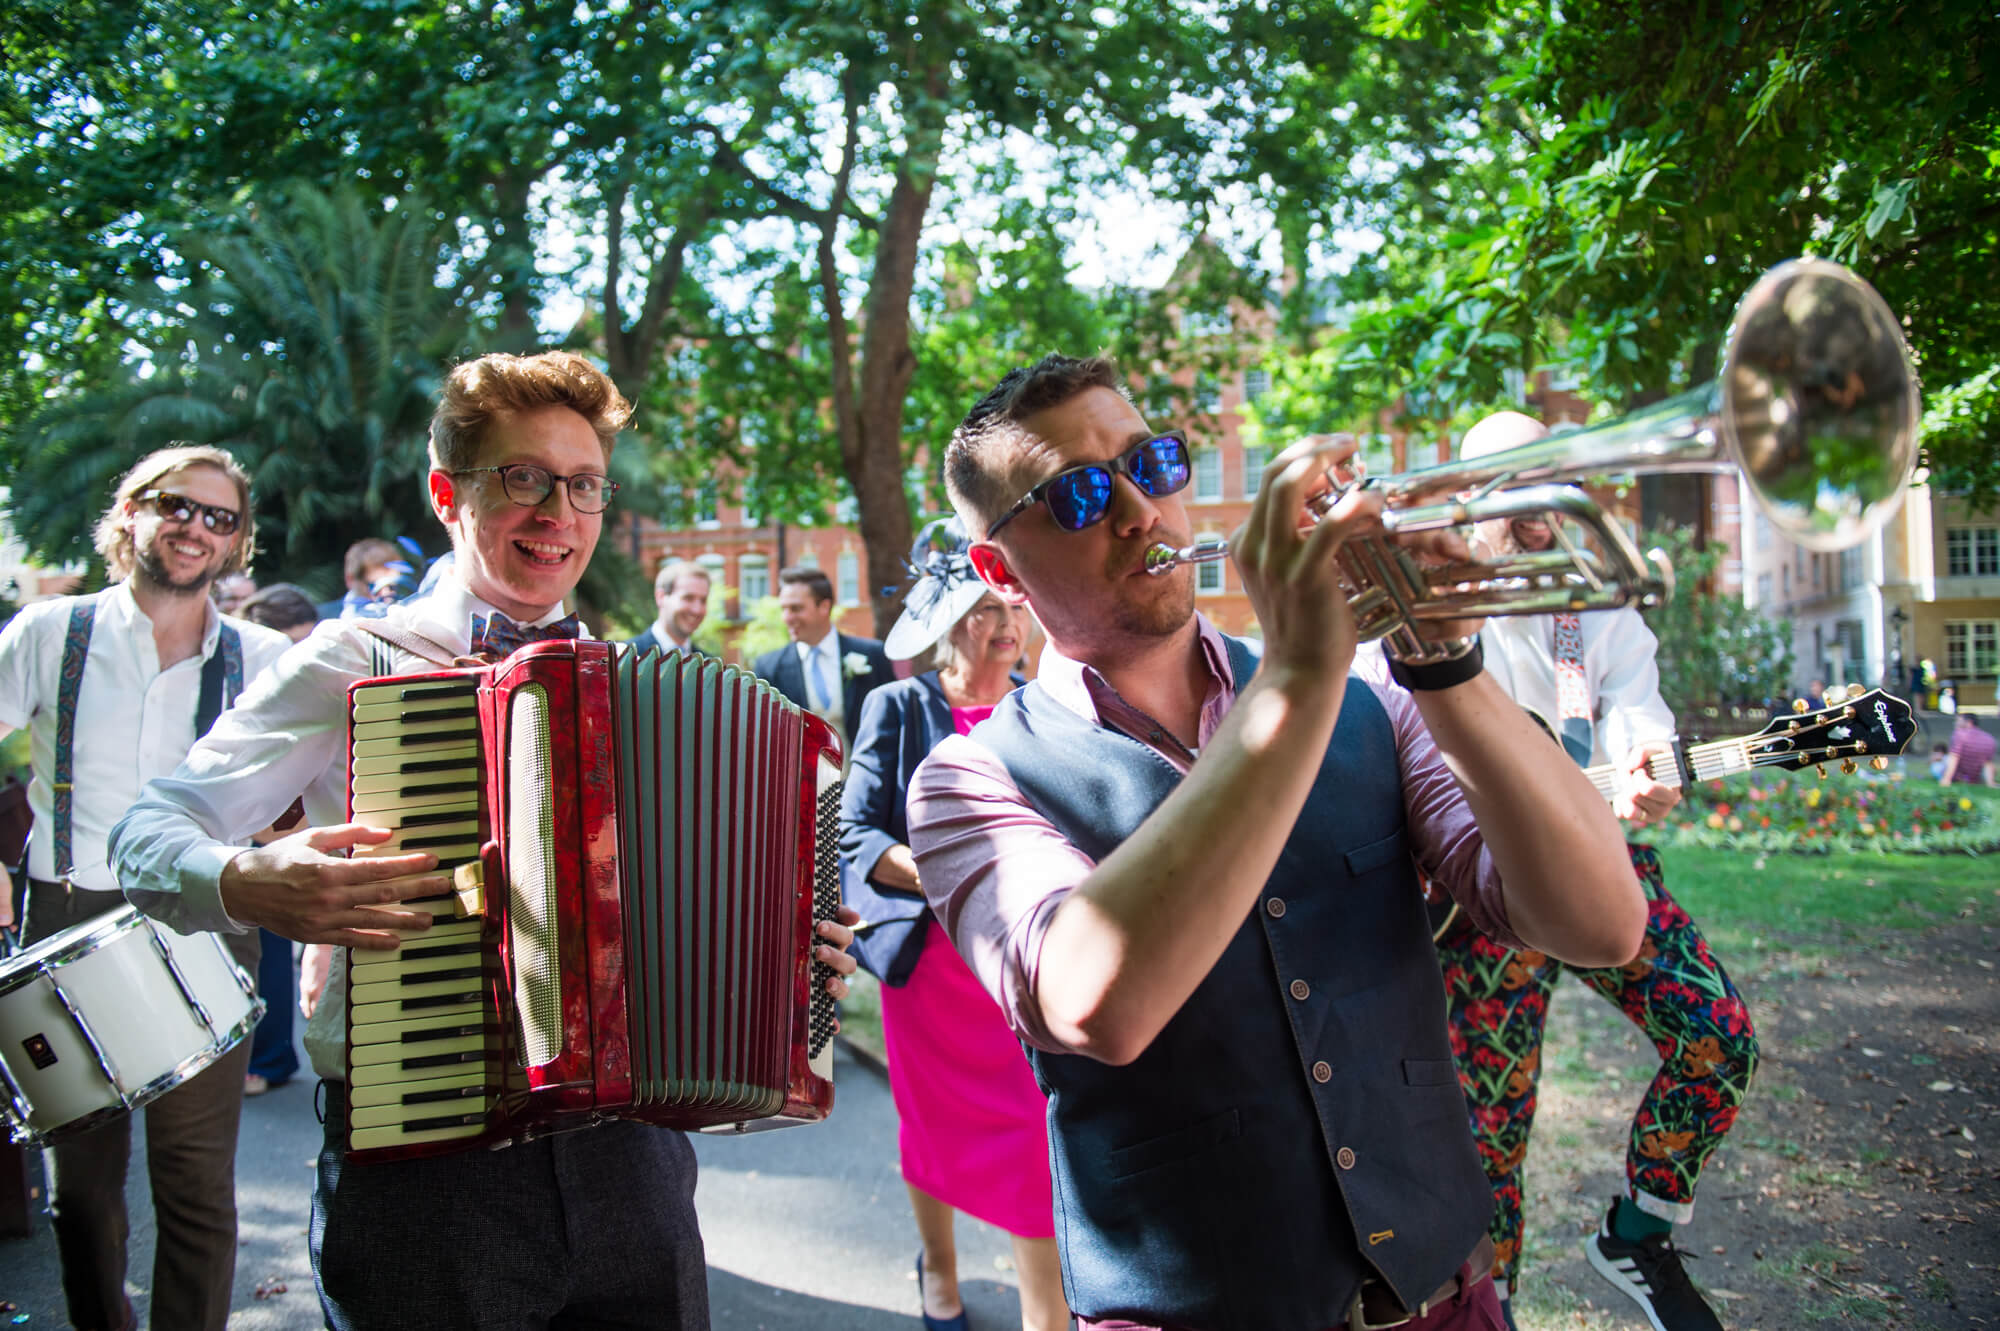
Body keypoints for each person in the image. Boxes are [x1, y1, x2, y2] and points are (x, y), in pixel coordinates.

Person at [109, 351, 861, 1331]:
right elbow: (146, 831)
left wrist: (797, 950)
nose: (558, 510)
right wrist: (247, 879)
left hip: (633, 1164)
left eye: (583, 484)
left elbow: (714, 897)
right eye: (522, 477)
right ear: (445, 493)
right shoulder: (354, 660)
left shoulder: (640, 693)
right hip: (425, 1173)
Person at [906, 354, 1646, 1331]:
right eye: (1080, 494)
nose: (1139, 510)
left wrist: (1444, 656)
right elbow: (1093, 1004)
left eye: (1150, 462)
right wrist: (1295, 675)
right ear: (997, 568)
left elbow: (1600, 921)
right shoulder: (967, 779)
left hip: (1443, 1295)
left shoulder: (1373, 700)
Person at [1442, 412, 1757, 1331]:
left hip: (1599, 861)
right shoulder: (1432, 601)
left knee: (1718, 1038)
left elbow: (1636, 707)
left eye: (1553, 485)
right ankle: (1489, 1313)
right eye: (1515, 488)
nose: (1538, 512)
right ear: (1471, 500)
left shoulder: (1592, 605)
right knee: (1488, 1137)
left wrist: (1646, 763)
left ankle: (1640, 1229)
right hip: (1478, 898)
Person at [0, 445, 292, 1331]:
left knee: (197, 1191)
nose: (196, 528)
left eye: (220, 517)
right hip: (64, 917)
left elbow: (306, 796)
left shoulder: (266, 655)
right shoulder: (51, 632)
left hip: (206, 925)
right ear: (130, 512)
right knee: (81, 1197)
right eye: (176, 506)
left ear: (239, 541)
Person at [841, 519, 1065, 1331]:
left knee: (1033, 1148)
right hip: (932, 974)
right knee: (931, 1130)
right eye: (984, 611)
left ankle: (1048, 1313)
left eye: (1014, 609)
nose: (1006, 628)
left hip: (1014, 969)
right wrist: (943, 877)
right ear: (948, 623)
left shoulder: (1035, 712)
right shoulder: (900, 706)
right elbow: (855, 831)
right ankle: (939, 1263)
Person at [232, 582, 325, 1097]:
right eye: (293, 642)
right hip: (248, 829)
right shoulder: (245, 671)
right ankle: (264, 1056)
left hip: (283, 825)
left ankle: (270, 1058)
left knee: (272, 948)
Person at [754, 565, 895, 746]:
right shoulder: (768, 668)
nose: (787, 618)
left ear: (824, 607)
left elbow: (892, 722)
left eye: (796, 608)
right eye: (784, 609)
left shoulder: (873, 655)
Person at [631, 557, 711, 656]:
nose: (697, 610)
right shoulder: (626, 658)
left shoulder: (710, 666)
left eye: (703, 600)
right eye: (688, 598)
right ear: (661, 597)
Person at [1941, 711, 1996, 786]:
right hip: (1975, 778)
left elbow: (1954, 757)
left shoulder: (1959, 734)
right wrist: (1991, 783)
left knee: (1939, 763)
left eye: (1958, 721)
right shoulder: (1989, 738)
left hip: (1958, 776)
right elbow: (1988, 763)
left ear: (1969, 722)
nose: (1955, 723)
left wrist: (1946, 779)